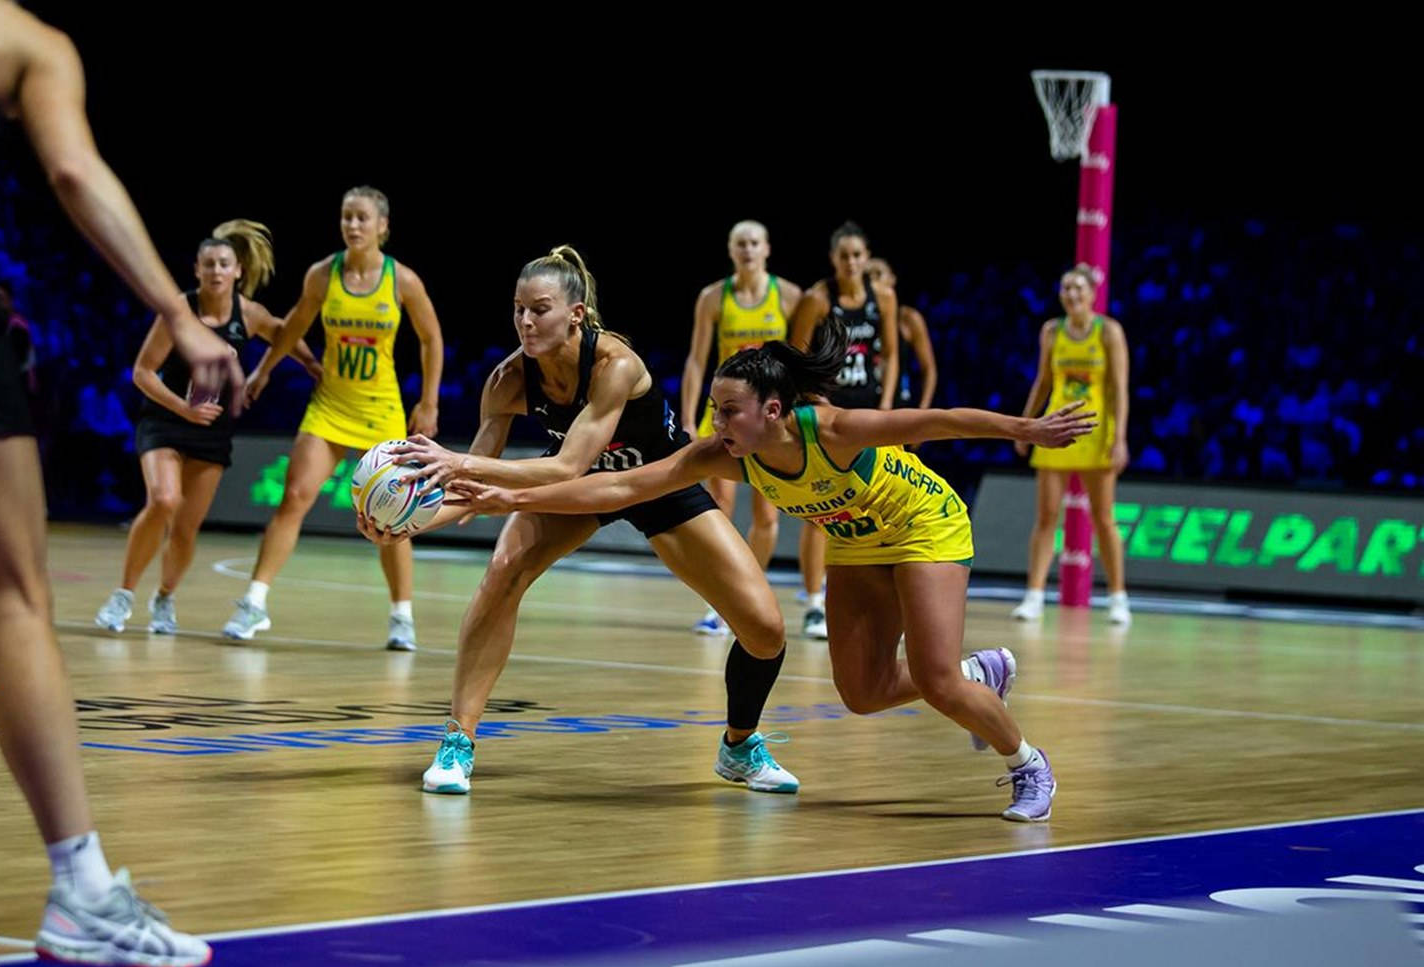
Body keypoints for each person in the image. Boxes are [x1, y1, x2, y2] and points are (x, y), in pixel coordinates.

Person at [447, 316, 1096, 823]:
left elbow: (938, 421)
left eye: (729, 411)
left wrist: (1024, 429)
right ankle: (979, 674)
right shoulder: (727, 455)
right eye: (714, 409)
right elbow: (620, 489)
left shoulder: (835, 431)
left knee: (931, 675)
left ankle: (1029, 765)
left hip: (922, 526)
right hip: (854, 541)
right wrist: (512, 497)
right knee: (863, 693)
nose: (715, 422)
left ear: (774, 412)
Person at [0, 0, 233, 967]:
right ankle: (83, 889)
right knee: (14, 599)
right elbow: (72, 170)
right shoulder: (11, 33)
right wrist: (178, 315)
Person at [365, 246, 799, 797]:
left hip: (656, 483)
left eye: (539, 309)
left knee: (765, 629)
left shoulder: (615, 364)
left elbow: (565, 461)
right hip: (577, 492)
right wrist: (405, 523)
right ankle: (457, 741)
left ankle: (739, 746)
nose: (525, 320)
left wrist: (462, 462)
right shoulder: (506, 381)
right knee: (503, 571)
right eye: (518, 308)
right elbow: (470, 489)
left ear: (575, 313)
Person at [222, 187, 444, 650]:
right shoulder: (324, 275)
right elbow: (294, 327)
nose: (353, 225)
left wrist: (429, 402)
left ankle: (401, 616)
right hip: (330, 404)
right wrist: (263, 371)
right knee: (295, 497)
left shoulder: (401, 280)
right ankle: (254, 602)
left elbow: (431, 339)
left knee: (393, 516)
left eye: (362, 218)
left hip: (381, 408)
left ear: (382, 226)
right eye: (347, 217)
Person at [92, 221, 322, 634]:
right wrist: (184, 408)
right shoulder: (178, 312)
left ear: (237, 271)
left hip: (212, 431)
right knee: (163, 500)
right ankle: (122, 596)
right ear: (196, 270)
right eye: (208, 264)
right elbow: (143, 373)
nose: (216, 271)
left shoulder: (248, 315)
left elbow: (285, 335)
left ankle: (164, 598)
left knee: (184, 529)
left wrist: (313, 365)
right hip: (165, 420)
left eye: (224, 264)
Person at [679, 220, 801, 635]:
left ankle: (750, 591)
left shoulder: (787, 296)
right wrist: (687, 416)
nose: (747, 250)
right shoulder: (713, 297)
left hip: (766, 418)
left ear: (767, 248)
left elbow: (798, 360)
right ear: (731, 251)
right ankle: (720, 601)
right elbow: (697, 359)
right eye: (740, 244)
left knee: (767, 511)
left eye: (754, 243)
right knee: (717, 508)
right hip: (725, 414)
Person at [788, 221, 899, 640]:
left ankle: (880, 602)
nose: (851, 262)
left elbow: (890, 354)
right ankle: (815, 603)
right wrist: (813, 406)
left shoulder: (883, 296)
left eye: (857, 255)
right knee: (822, 511)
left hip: (868, 411)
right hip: (828, 413)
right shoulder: (817, 299)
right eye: (843, 255)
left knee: (879, 504)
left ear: (866, 257)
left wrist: (887, 406)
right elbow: (796, 356)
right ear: (833, 259)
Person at [1010, 264, 1131, 626]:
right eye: (1066, 289)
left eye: (1079, 289)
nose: (1072, 295)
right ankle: (1033, 596)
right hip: (1056, 429)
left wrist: (1120, 437)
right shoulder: (1051, 331)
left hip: (1096, 432)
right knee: (1046, 517)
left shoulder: (1108, 331)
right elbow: (1043, 382)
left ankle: (1117, 598)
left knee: (1104, 518)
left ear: (1092, 294)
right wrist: (1025, 427)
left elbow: (1119, 390)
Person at [866, 257, 936, 409]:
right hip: (862, 405)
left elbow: (928, 369)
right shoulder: (855, 319)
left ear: (892, 279)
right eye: (867, 276)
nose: (872, 280)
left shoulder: (908, 318)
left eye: (878, 274)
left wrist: (922, 411)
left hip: (898, 406)